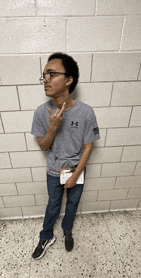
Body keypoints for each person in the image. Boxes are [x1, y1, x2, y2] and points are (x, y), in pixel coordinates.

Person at [31, 52, 100, 260]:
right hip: (53, 170)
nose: (46, 80)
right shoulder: (41, 112)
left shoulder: (86, 112)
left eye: (51, 74)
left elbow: (88, 147)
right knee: (53, 204)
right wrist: (53, 127)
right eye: (44, 75)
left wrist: (74, 175)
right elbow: (43, 146)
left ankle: (67, 230)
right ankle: (46, 236)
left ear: (69, 80)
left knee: (72, 204)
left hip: (76, 170)